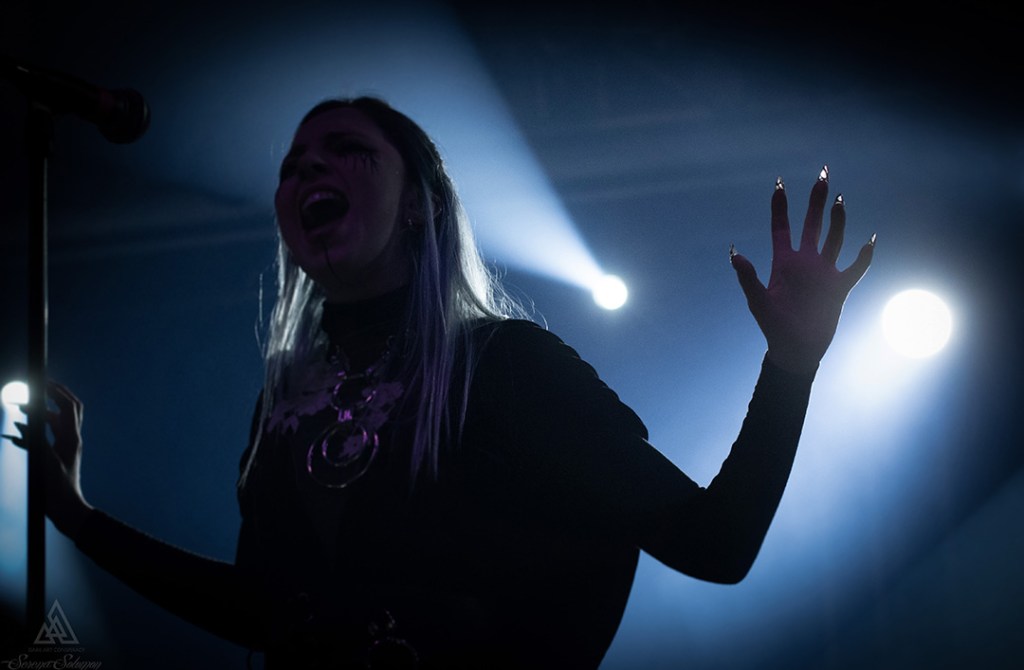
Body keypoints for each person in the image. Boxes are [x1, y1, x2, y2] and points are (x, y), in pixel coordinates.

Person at [18, 96, 873, 669]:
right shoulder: (284, 405)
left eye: (346, 151)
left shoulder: (507, 365)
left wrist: (790, 366)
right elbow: (262, 609)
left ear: (420, 202)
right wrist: (78, 518)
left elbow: (715, 545)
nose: (307, 172)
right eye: (292, 165)